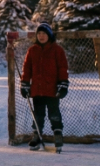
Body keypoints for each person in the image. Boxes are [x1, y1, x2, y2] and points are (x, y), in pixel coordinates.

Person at [20, 22, 70, 152]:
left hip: (52, 90)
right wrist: (25, 84)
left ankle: (58, 135)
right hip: (37, 89)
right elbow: (27, 69)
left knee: (54, 114)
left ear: (49, 35)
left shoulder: (57, 50)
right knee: (38, 115)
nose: (41, 36)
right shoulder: (32, 50)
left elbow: (62, 68)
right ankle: (36, 135)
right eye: (39, 34)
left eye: (44, 33)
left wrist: (63, 84)